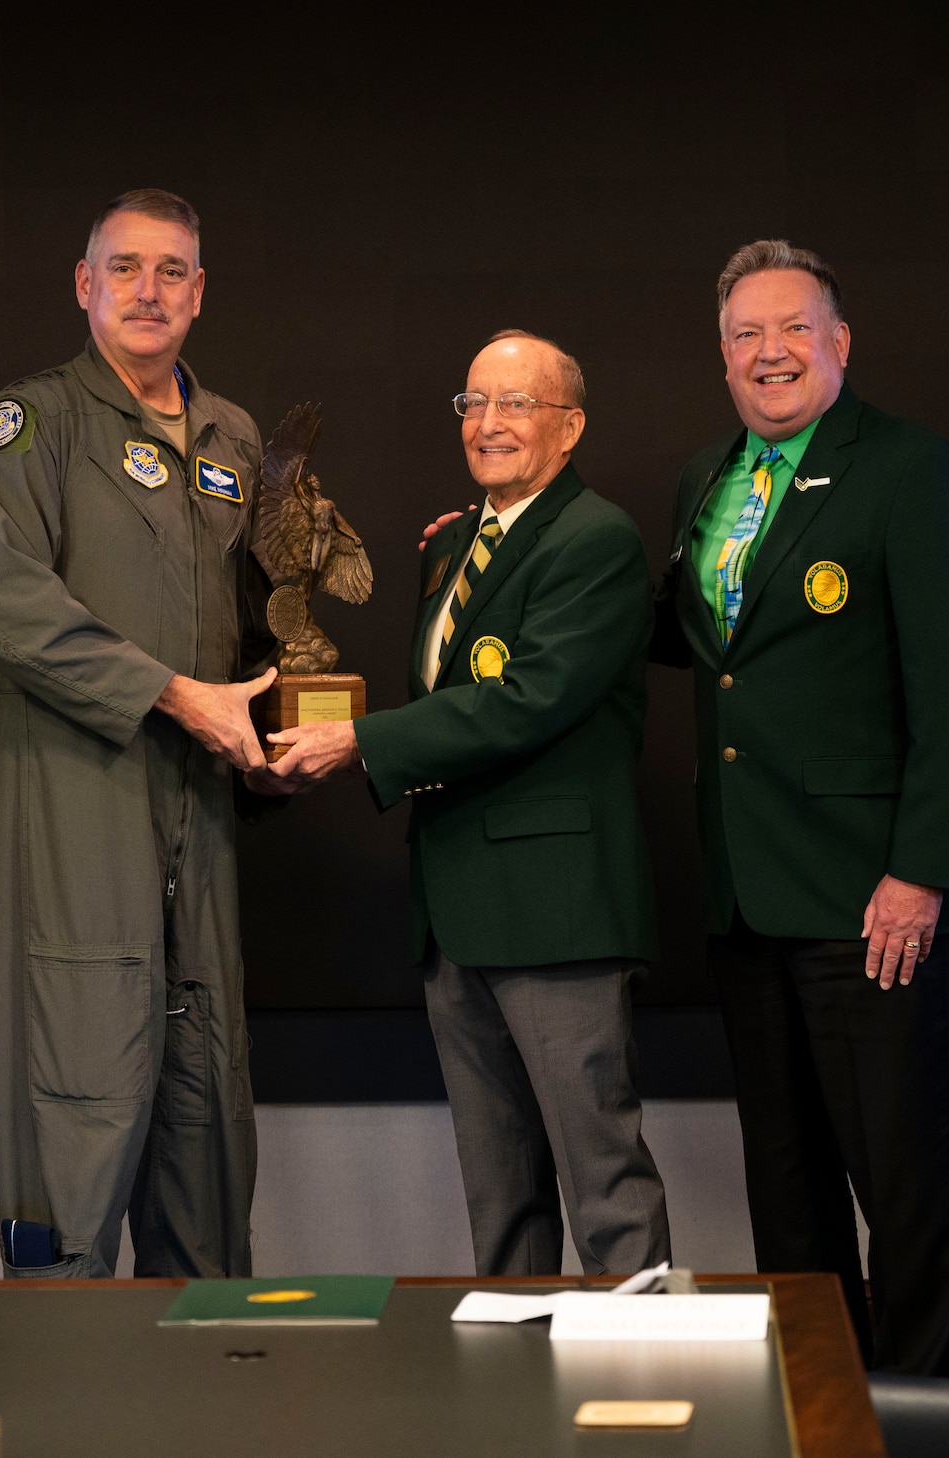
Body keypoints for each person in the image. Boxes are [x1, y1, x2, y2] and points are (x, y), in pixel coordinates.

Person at [651, 240, 949, 1375]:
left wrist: (921, 871)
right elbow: (697, 643)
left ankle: (919, 1415)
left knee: (902, 1190)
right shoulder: (705, 479)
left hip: (871, 902)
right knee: (788, 1191)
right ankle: (820, 1406)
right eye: (744, 335)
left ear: (837, 344)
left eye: (791, 329)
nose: (769, 353)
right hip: (749, 896)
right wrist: (495, 546)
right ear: (720, 360)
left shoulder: (909, 469)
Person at [264, 330, 671, 1277]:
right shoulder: (457, 545)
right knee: (501, 1194)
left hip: (557, 914)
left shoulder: (596, 539)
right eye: (474, 404)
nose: (489, 423)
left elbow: (528, 701)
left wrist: (360, 741)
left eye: (516, 404)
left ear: (568, 428)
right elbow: (452, 690)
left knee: (601, 1181)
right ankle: (517, 1395)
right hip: (457, 911)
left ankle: (652, 1400)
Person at [0, 189, 278, 1279]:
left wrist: (277, 726)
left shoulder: (235, 435)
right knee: (81, 1077)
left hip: (200, 803)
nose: (149, 290)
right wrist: (176, 696)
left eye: (173, 270)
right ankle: (65, 1387)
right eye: (126, 268)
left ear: (201, 292)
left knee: (205, 1092)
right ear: (84, 284)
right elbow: (6, 608)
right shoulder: (33, 421)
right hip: (76, 787)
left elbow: (259, 623)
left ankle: (205, 1399)